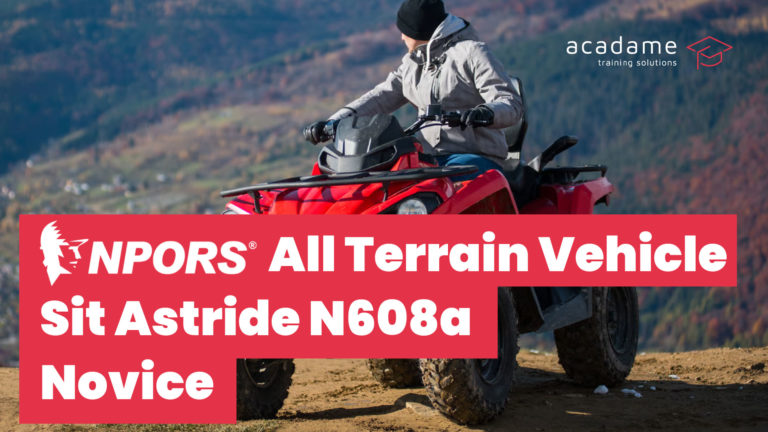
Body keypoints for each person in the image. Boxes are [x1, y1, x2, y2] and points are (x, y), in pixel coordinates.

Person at [305, 0, 524, 180]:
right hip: (427, 159)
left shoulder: (473, 53)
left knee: (442, 186)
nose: (401, 37)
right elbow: (380, 97)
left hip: (476, 158)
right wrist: (335, 122)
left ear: (419, 30)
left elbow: (510, 104)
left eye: (404, 31)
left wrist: (485, 113)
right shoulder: (412, 64)